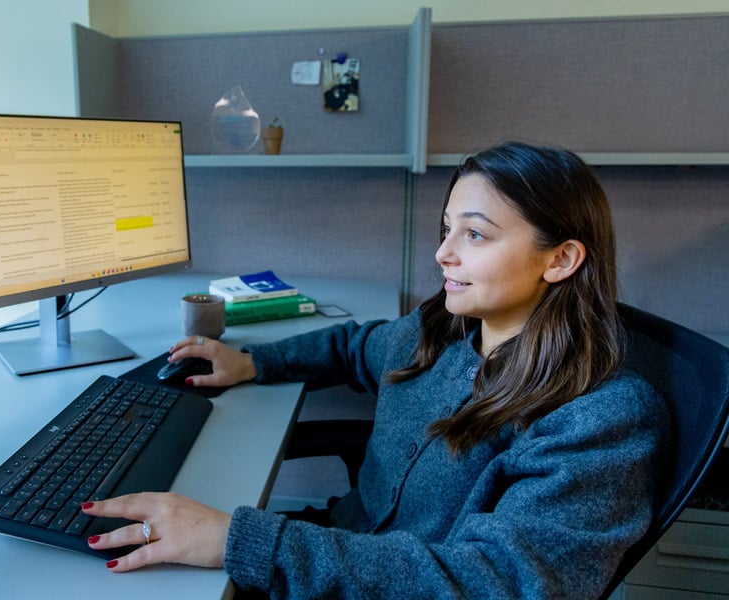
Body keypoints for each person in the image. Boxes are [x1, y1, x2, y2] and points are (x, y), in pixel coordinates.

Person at [80, 141, 671, 598]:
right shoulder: (442, 332)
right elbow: (354, 345)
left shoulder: (600, 418)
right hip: (341, 552)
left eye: (475, 234)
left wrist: (241, 541)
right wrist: (255, 362)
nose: (443, 253)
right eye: (446, 230)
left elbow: (498, 584)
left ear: (562, 259)